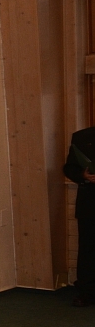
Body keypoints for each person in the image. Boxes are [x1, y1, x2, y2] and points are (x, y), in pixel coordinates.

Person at [64, 127, 95, 306]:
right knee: (87, 249)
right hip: (90, 203)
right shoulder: (82, 137)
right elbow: (69, 167)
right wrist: (83, 175)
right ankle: (87, 292)